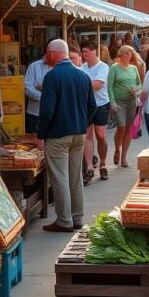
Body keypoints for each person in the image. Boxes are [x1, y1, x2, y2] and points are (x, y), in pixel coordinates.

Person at [37, 39, 95, 232]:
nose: (46, 57)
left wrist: (41, 134)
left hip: (58, 135)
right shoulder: (82, 75)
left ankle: (64, 220)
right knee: (75, 177)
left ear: (53, 54)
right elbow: (92, 106)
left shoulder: (52, 77)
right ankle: (77, 217)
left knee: (60, 178)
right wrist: (82, 123)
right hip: (79, 133)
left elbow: (46, 111)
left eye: (47, 54)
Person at [107, 45, 142, 167]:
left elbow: (139, 85)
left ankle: (124, 157)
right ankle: (117, 149)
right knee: (120, 127)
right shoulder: (114, 68)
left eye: (130, 53)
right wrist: (112, 102)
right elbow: (109, 86)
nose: (128, 55)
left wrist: (136, 90)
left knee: (128, 128)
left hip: (131, 102)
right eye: (126, 53)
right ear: (120, 55)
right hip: (119, 102)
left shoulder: (133, 68)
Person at [80, 41, 110, 181]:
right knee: (87, 136)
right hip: (85, 105)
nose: (84, 54)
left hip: (100, 104)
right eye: (83, 52)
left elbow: (97, 85)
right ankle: (89, 167)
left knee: (101, 135)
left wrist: (79, 84)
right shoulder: (82, 67)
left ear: (94, 52)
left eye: (86, 51)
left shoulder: (103, 67)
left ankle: (103, 163)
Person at [23, 51, 54, 134]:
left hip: (57, 114)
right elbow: (27, 89)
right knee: (38, 143)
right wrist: (47, 96)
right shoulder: (34, 67)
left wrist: (44, 88)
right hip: (36, 113)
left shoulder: (61, 67)